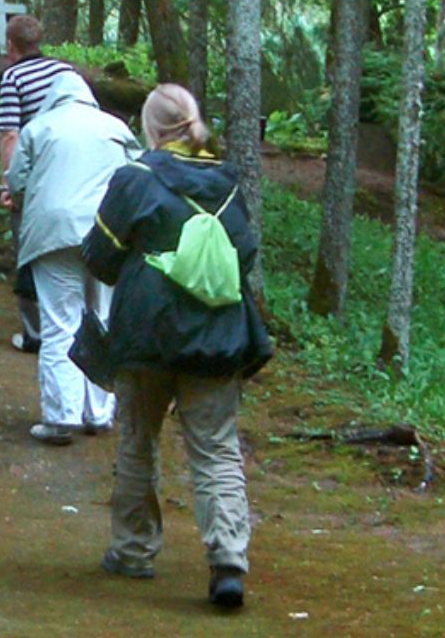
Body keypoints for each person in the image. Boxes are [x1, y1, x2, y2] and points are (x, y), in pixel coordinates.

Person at [80, 83, 271, 610]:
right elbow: (245, 254)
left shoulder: (134, 179)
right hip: (216, 336)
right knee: (215, 447)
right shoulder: (228, 183)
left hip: (145, 336)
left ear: (151, 127)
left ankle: (133, 549)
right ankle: (228, 561)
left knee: (137, 441)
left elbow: (99, 255)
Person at [5, 72, 138, 445]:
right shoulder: (116, 128)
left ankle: (61, 416)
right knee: (102, 318)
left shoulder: (38, 127)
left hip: (53, 234)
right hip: (107, 232)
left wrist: (20, 195)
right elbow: (138, 175)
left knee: (60, 322)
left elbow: (16, 181)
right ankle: (98, 413)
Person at [0, 14, 80, 353]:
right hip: (72, 170)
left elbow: (10, 134)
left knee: (27, 249)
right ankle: (72, 327)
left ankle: (36, 333)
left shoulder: (13, 76)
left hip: (35, 175)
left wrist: (8, 186)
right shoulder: (66, 73)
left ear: (10, 45)